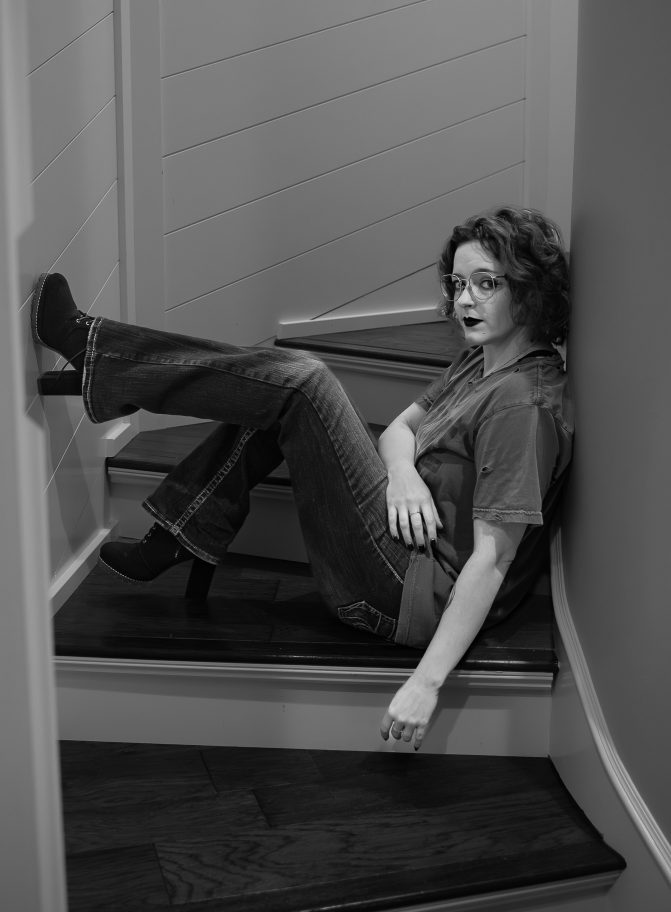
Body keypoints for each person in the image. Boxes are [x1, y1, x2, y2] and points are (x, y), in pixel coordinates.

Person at [32, 205, 572, 750]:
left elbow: (493, 558)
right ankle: (180, 529)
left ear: (530, 287)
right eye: (457, 284)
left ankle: (96, 354)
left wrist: (426, 684)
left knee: (304, 383)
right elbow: (400, 432)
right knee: (282, 398)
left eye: (485, 284)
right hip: (402, 543)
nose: (462, 301)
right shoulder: (482, 361)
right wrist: (403, 472)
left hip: (408, 594)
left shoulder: (520, 406)